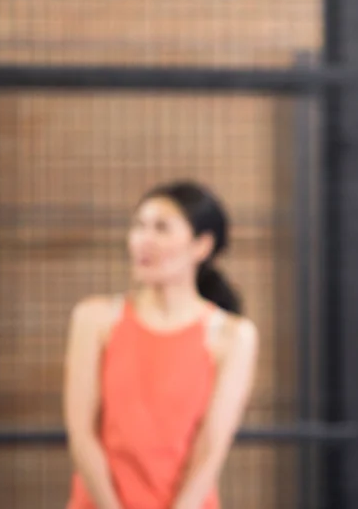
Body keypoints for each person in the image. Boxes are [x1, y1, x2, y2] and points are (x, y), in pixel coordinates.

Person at [64, 180, 260, 509]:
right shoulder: (94, 320)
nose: (144, 240)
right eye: (139, 226)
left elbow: (211, 448)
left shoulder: (233, 335)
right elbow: (82, 435)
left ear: (202, 246)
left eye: (161, 228)